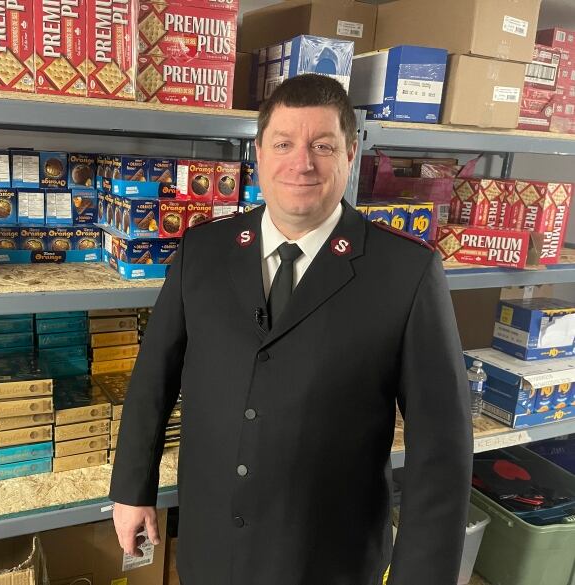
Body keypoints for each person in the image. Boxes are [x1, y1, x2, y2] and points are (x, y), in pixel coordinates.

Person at [109, 74, 473, 585]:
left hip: (328, 559)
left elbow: (442, 450)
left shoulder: (406, 273)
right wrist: (132, 488)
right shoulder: (203, 252)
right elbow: (154, 377)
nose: (301, 163)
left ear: (350, 153)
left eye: (322, 146)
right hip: (212, 545)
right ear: (258, 152)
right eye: (283, 144)